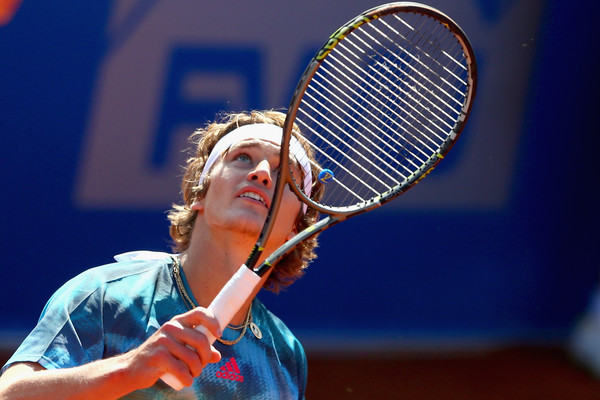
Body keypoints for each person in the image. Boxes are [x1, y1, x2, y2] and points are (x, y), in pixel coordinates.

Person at [0, 110, 324, 399]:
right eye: (242, 157)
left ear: (297, 228)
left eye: (285, 175)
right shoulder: (106, 296)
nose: (262, 173)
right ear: (201, 193)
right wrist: (127, 369)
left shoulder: (286, 354)